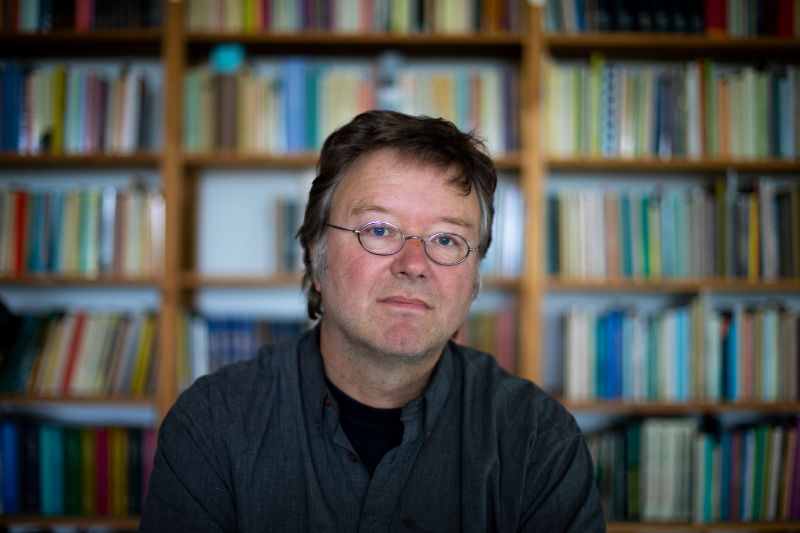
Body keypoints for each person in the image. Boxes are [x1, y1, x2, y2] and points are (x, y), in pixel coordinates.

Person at [140, 110, 605, 532]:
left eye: (446, 239)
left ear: (475, 276)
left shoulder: (537, 440)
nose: (414, 264)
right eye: (379, 230)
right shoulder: (213, 424)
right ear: (315, 253)